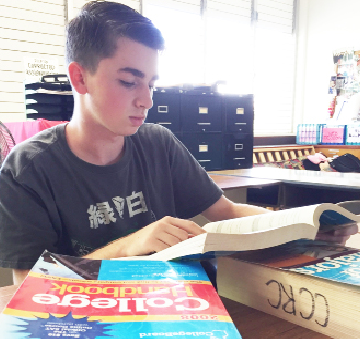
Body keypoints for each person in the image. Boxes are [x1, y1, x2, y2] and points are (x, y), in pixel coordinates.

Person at [0, 1, 357, 285]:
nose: (147, 101)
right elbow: (26, 283)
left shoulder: (158, 143)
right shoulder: (28, 169)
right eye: (129, 81)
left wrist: (303, 228)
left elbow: (229, 211)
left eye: (151, 83)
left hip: (181, 305)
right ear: (80, 77)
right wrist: (129, 246)